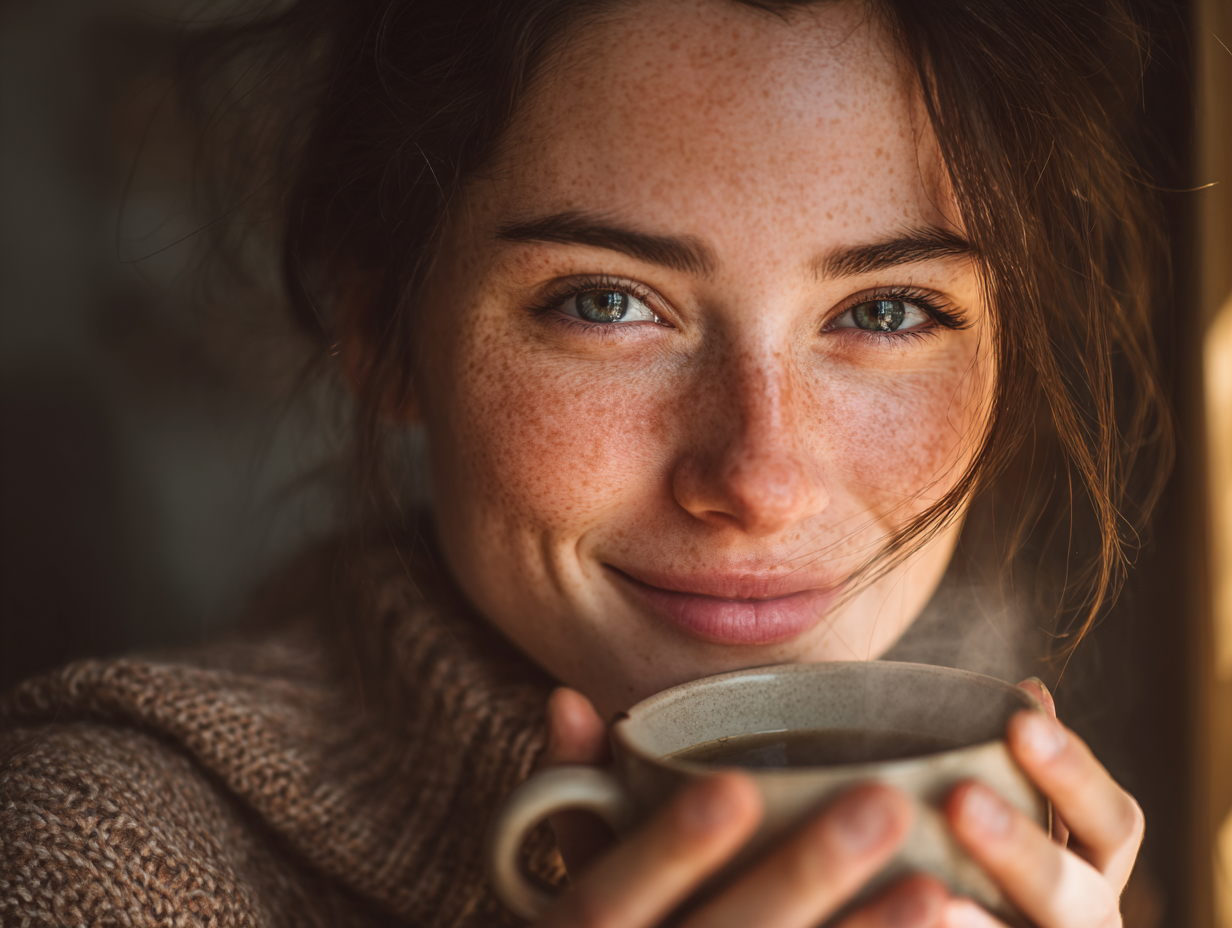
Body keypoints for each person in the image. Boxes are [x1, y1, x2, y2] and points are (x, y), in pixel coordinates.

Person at [0, 1, 1171, 926]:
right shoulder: (83, 863)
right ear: (382, 332)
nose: (758, 478)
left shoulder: (1029, 882)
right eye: (608, 303)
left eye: (890, 311)